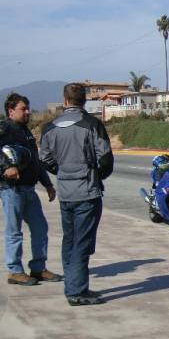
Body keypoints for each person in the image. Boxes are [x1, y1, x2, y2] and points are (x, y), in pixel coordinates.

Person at [39, 83, 114, 306]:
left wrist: (62, 172)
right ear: (85, 100)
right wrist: (95, 175)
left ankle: (75, 284)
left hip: (65, 192)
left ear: (65, 100)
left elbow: (45, 159)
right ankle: (76, 291)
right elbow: (106, 158)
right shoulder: (92, 125)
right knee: (82, 243)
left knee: (70, 239)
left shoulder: (49, 128)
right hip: (87, 192)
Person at [0, 92, 62, 286]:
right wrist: (5, 166)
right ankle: (15, 271)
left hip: (29, 190)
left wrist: (48, 184)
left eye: (28, 108)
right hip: (12, 190)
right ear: (11, 111)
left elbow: (36, 161)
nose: (27, 112)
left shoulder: (26, 132)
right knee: (14, 231)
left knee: (40, 228)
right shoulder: (4, 128)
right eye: (23, 109)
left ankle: (38, 268)